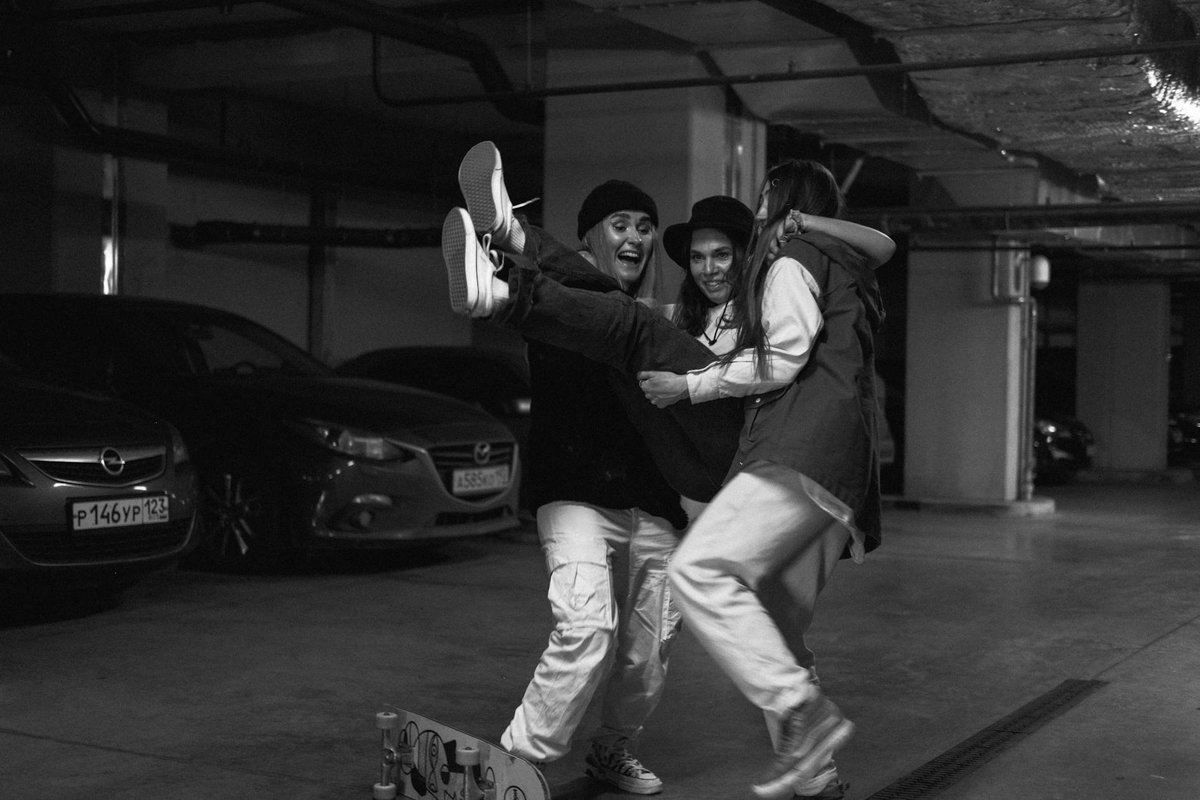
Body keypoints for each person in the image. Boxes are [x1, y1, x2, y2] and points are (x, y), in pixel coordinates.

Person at [445, 149, 888, 800]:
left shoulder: (772, 282)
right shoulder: (658, 312)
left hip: (735, 460)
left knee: (627, 325)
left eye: (724, 253)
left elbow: (786, 345)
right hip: (656, 477)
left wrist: (694, 382)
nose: (709, 266)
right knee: (735, 622)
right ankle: (813, 771)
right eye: (699, 255)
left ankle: (508, 268)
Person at [453, 155, 687, 796]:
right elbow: (595, 318)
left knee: (649, 650)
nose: (636, 237)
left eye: (645, 226)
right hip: (575, 490)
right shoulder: (567, 308)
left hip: (651, 502)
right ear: (588, 238)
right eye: (619, 224)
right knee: (586, 628)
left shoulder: (662, 322)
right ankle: (514, 768)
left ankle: (612, 751)